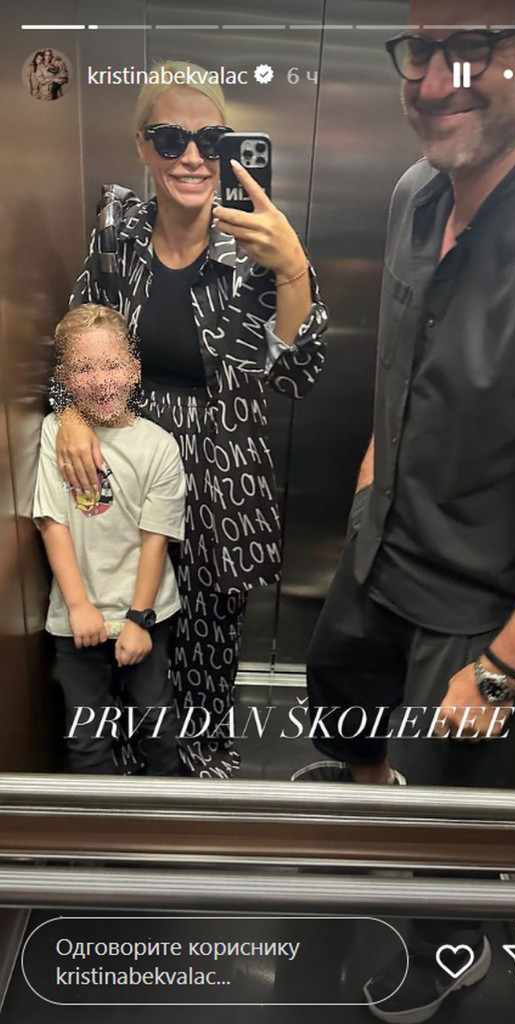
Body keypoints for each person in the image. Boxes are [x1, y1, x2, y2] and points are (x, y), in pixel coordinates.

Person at [294, 1, 515, 1021]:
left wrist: (500, 671)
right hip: (379, 551)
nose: (433, 80)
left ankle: (439, 954)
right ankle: (369, 797)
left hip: (474, 614)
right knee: (343, 709)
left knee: (445, 834)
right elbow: (399, 364)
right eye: (422, 48)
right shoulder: (416, 193)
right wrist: (370, 492)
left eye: (474, 47)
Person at [55, 61, 328, 778]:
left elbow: (297, 375)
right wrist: (69, 413)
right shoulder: (117, 236)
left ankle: (199, 756)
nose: (192, 157)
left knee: (208, 626)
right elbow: (80, 337)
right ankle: (123, 760)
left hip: (220, 469)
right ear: (143, 147)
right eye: (170, 138)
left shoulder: (257, 246)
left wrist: (292, 269)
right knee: (122, 611)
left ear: (230, 148)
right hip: (125, 458)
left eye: (211, 140)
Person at [34, 304, 186, 776]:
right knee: (86, 736)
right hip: (76, 617)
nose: (101, 381)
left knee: (157, 721)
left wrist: (139, 619)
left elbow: (156, 539)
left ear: (134, 369)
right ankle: (96, 820)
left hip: (145, 611)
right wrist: (79, 606)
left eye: (112, 365)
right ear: (64, 377)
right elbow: (53, 523)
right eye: (84, 369)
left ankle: (169, 811)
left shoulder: (158, 445)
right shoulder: (55, 434)